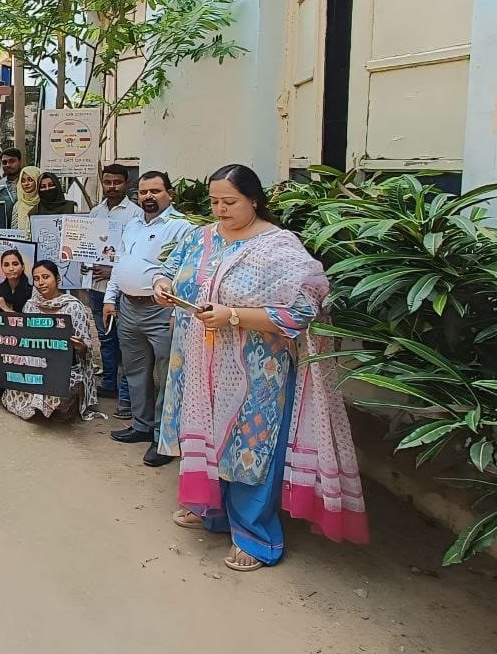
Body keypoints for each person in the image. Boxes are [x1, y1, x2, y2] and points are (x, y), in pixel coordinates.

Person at [154, 164, 369, 571]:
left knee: (250, 449)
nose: (220, 210)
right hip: (200, 366)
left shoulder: (279, 247)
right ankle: (212, 511)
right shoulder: (201, 237)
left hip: (257, 372)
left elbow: (304, 309)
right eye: (214, 201)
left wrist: (233, 315)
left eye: (229, 202)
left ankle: (255, 537)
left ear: (254, 199)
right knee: (209, 439)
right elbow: (171, 270)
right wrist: (162, 286)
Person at [105, 171, 195, 467]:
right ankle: (142, 426)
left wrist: (177, 312)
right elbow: (119, 263)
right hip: (128, 307)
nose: (148, 197)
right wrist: (109, 298)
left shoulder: (182, 227)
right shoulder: (132, 226)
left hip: (163, 311)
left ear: (169, 193)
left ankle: (163, 437)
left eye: (155, 191)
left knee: (167, 375)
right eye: (143, 192)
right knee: (136, 371)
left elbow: (184, 271)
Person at [0, 260, 99, 422]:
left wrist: (79, 346)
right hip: (35, 363)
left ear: (57, 279)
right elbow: (25, 339)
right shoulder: (31, 305)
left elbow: (85, 350)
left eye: (46, 277)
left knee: (58, 391)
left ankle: (61, 407)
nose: (41, 282)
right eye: (37, 279)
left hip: (66, 367)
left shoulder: (73, 307)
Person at [88, 163, 138, 416]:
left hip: (121, 289)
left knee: (125, 341)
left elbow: (135, 254)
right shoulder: (96, 213)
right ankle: (108, 383)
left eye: (117, 182)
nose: (111, 187)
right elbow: (85, 247)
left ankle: (127, 394)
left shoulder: (135, 215)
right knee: (105, 338)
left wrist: (113, 271)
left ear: (126, 183)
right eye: (107, 182)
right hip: (96, 287)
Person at [0, 249, 32, 313]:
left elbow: (29, 321)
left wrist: (6, 308)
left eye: (15, 264)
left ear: (23, 267)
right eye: (6, 265)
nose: (11, 269)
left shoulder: (32, 292)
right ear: (2, 268)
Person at [12, 166, 41, 236]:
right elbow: (13, 231)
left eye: (30, 180)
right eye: (23, 181)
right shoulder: (18, 205)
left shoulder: (44, 203)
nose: (26, 183)